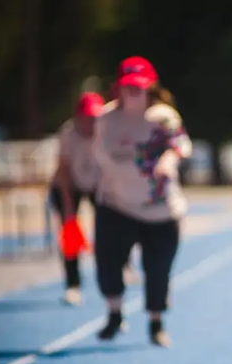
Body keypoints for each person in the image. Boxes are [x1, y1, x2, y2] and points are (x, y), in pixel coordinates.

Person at [92, 56, 192, 347]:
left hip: (160, 209)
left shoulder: (164, 116)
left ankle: (156, 323)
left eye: (140, 86)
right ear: (117, 88)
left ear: (150, 87)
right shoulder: (106, 119)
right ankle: (114, 315)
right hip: (116, 205)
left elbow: (181, 144)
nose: (133, 92)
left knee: (158, 268)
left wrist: (169, 160)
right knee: (108, 265)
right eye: (128, 86)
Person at [49, 92, 105, 306]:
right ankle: (73, 284)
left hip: (96, 184)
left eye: (95, 118)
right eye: (88, 118)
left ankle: (114, 272)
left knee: (109, 226)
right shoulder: (69, 134)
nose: (92, 122)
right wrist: (69, 207)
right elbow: (63, 171)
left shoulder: (106, 131)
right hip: (68, 185)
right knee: (70, 236)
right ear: (79, 117)